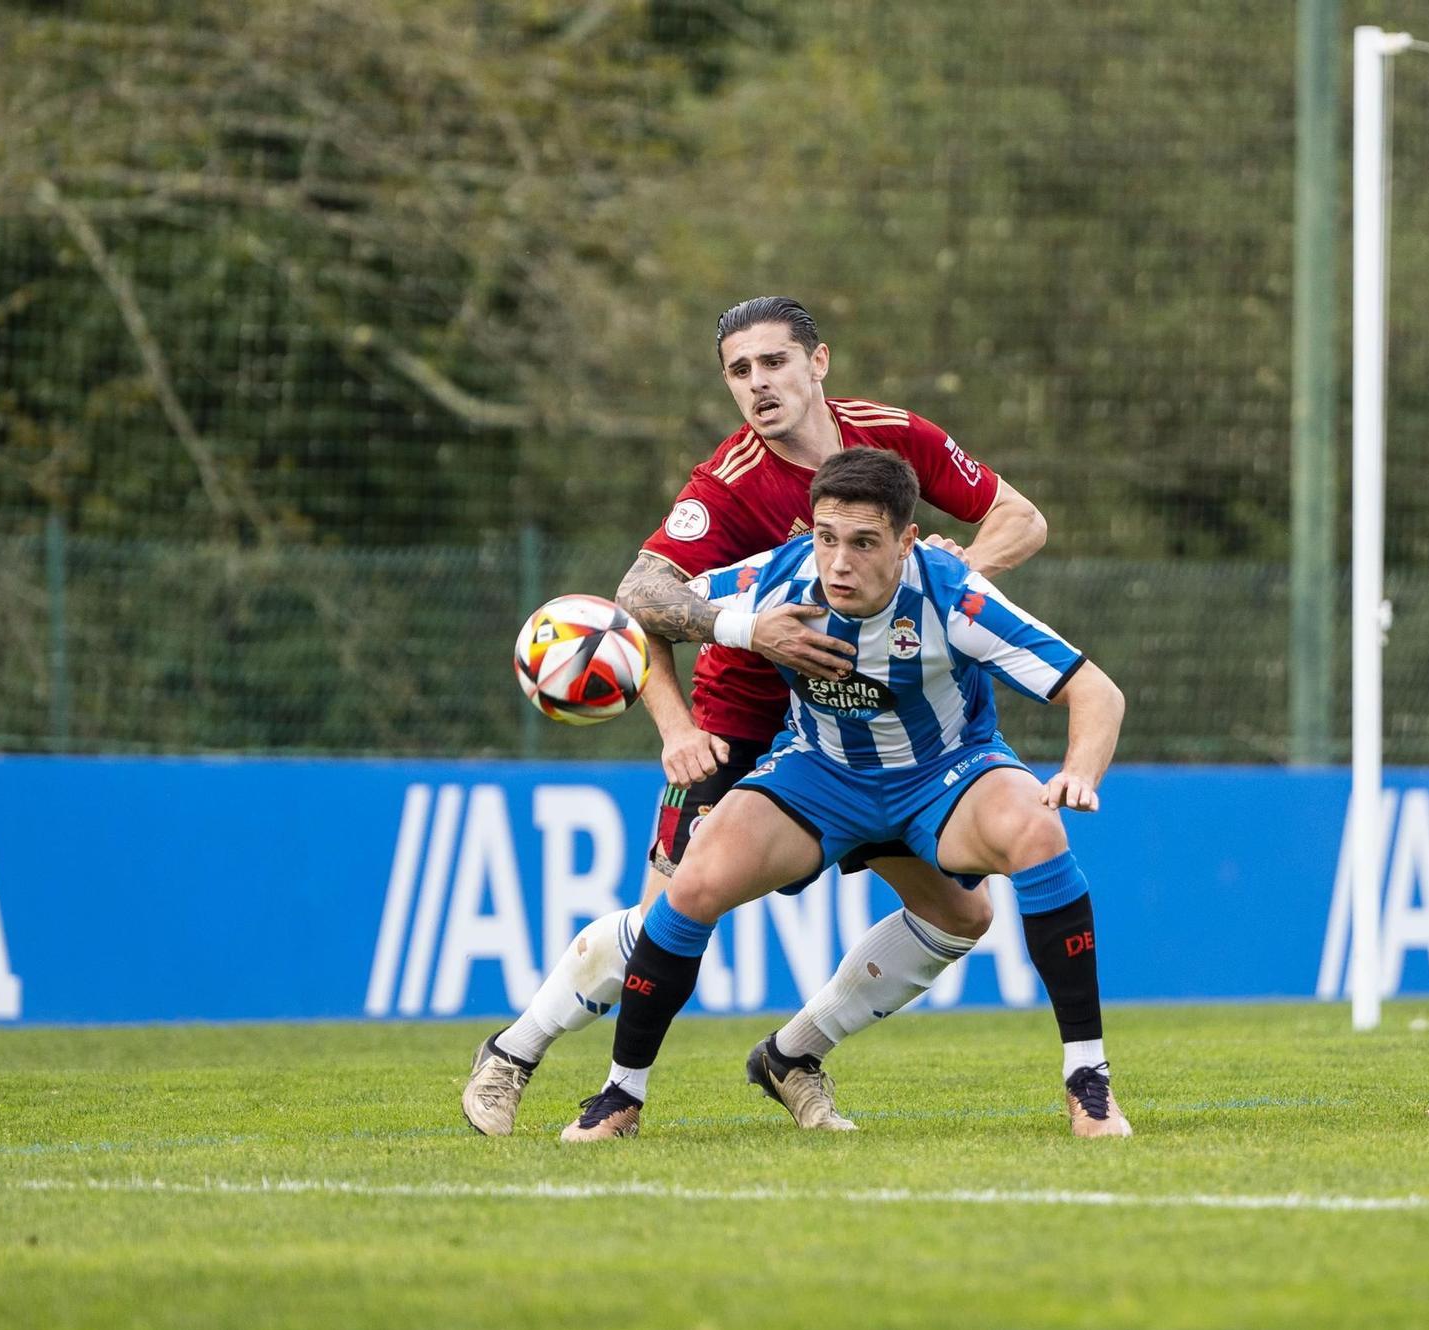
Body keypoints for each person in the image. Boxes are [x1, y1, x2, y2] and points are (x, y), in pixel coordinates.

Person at [463, 297, 1105, 1137]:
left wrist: (951, 577)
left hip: (877, 720)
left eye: (773, 363)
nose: (758, 385)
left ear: (819, 362)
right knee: (669, 913)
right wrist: (679, 730)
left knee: (964, 914)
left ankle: (792, 1055)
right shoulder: (724, 487)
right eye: (739, 371)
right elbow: (641, 599)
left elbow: (1022, 517)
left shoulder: (893, 437)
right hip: (744, 725)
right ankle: (513, 1052)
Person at [561, 448, 1129, 1140]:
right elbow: (642, 610)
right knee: (695, 876)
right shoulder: (780, 575)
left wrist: (1079, 771)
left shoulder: (954, 595)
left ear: (906, 541)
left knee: (1039, 833)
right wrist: (685, 713)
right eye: (827, 538)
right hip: (819, 775)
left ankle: (1087, 1082)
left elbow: (1094, 690)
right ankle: (620, 1095)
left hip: (943, 775)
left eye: (863, 543)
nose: (838, 563)